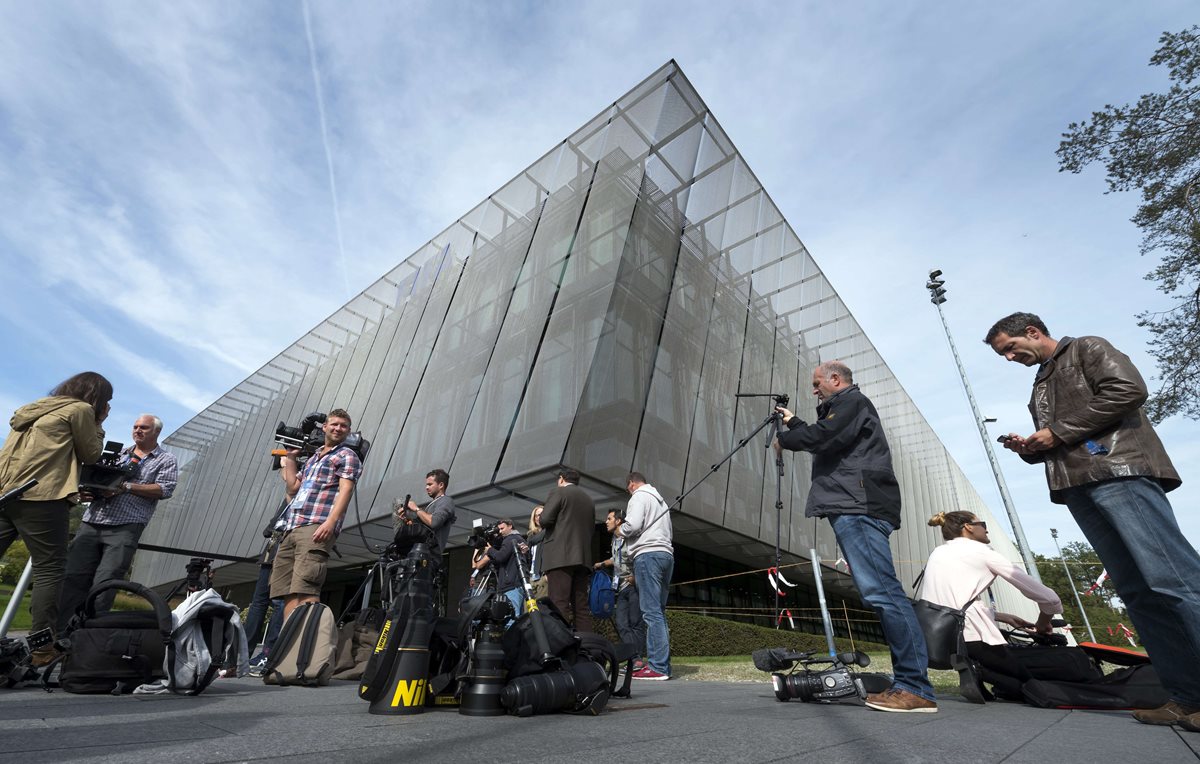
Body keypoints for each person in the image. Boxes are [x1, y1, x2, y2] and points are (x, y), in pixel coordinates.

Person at [985, 312, 1200, 728]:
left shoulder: (1087, 347)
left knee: (1174, 581)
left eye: (1010, 348)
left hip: (1121, 472)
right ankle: (1188, 697)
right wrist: (1030, 447)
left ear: (1032, 332)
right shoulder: (1042, 381)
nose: (1008, 358)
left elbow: (1129, 390)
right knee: (1139, 594)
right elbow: (1062, 438)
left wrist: (1058, 431)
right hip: (1079, 485)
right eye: (1003, 354)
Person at [775, 360, 937, 713]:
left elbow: (823, 437)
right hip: (853, 504)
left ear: (836, 379)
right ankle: (911, 684)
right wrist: (796, 423)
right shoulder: (845, 408)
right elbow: (828, 436)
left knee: (883, 592)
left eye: (817, 383)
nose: (814, 390)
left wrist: (785, 439)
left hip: (857, 505)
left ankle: (916, 687)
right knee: (880, 591)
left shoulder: (852, 402)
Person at [0, 372, 110, 648]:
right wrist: (98, 423)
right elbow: (91, 454)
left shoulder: (33, 409)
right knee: (49, 570)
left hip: (5, 492)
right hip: (41, 495)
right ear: (97, 397)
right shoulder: (81, 410)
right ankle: (41, 649)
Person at [922, 510, 1062, 703]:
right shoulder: (982, 552)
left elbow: (953, 600)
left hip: (943, 636)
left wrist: (999, 616)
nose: (987, 531)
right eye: (983, 525)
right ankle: (978, 670)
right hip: (974, 637)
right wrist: (1042, 623)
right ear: (969, 527)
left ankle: (979, 670)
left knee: (1014, 684)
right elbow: (1050, 598)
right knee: (1032, 685)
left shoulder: (938, 552)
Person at [58, 414, 178, 631]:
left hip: (126, 526)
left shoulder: (165, 459)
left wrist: (126, 487)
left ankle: (90, 635)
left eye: (144, 427)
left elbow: (165, 489)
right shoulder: (117, 454)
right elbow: (94, 480)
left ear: (156, 432)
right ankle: (60, 632)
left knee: (106, 582)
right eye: (135, 426)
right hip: (92, 521)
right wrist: (88, 492)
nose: (138, 430)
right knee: (73, 576)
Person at [272, 408, 362, 623]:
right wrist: (291, 457)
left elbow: (346, 489)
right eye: (334, 424)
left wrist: (331, 522)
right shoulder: (313, 458)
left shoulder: (347, 455)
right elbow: (293, 487)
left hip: (316, 525)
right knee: (289, 592)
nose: (338, 428)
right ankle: (288, 648)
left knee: (306, 588)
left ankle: (304, 649)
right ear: (325, 427)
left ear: (348, 431)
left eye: (343, 426)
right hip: (292, 526)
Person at [618, 473, 672, 680]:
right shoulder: (662, 501)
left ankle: (658, 668)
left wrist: (620, 530)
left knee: (650, 613)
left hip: (648, 555)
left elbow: (632, 525)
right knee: (658, 612)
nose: (629, 491)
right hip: (666, 554)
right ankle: (663, 666)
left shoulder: (638, 496)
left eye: (628, 488)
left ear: (631, 483)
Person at [539, 468, 595, 633]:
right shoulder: (588, 499)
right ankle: (586, 647)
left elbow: (544, 519)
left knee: (559, 602)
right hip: (583, 557)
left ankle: (562, 645)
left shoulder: (559, 492)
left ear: (561, 479)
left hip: (560, 557)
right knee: (581, 607)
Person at [596, 508, 645, 670]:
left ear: (618, 521)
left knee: (635, 622)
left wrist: (636, 577)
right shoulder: (615, 540)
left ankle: (637, 659)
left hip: (633, 585)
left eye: (609, 518)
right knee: (622, 623)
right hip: (621, 586)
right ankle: (633, 657)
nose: (606, 521)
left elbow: (639, 556)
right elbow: (615, 559)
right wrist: (601, 564)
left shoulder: (629, 537)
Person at [472, 518, 526, 619]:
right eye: (499, 529)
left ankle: (511, 635)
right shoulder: (518, 538)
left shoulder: (510, 539)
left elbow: (500, 556)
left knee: (511, 616)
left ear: (510, 526)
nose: (500, 532)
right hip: (514, 582)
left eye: (502, 528)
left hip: (511, 584)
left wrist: (490, 550)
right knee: (514, 615)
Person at [396, 468, 456, 557]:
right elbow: (422, 529)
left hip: (429, 557)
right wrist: (407, 520)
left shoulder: (446, 501)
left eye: (430, 484)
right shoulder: (431, 505)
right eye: (426, 485)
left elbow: (434, 522)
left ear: (441, 485)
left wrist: (416, 509)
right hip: (418, 553)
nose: (426, 487)